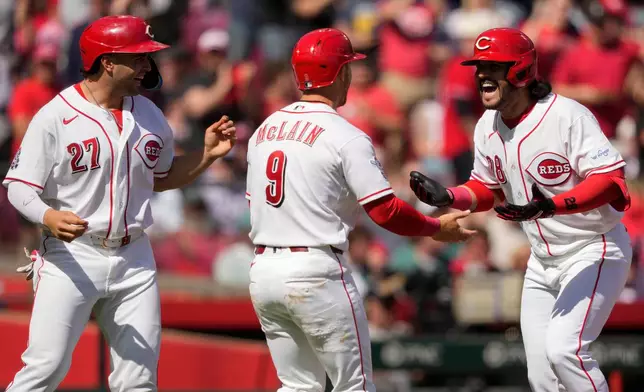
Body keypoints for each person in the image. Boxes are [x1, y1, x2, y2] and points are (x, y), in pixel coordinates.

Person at [2, 15, 236, 391]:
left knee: (139, 379)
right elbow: (18, 187)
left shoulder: (149, 113)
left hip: (134, 258)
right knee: (46, 368)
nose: (147, 64)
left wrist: (205, 156)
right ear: (107, 62)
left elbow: (162, 177)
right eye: (138, 56)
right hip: (72, 254)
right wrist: (47, 215)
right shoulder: (56, 115)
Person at [245, 28, 475, 392]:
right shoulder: (345, 134)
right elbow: (384, 212)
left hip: (264, 271)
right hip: (316, 270)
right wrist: (435, 227)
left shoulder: (264, 130)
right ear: (342, 74)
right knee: (354, 386)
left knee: (296, 385)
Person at [409, 28, 632, 392]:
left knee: (565, 352)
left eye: (493, 66)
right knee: (541, 375)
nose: (482, 74)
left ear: (522, 71)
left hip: (594, 247)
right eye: (479, 66)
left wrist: (551, 206)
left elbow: (611, 180)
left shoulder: (566, 115)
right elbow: (487, 188)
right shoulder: (487, 126)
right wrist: (448, 197)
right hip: (542, 260)